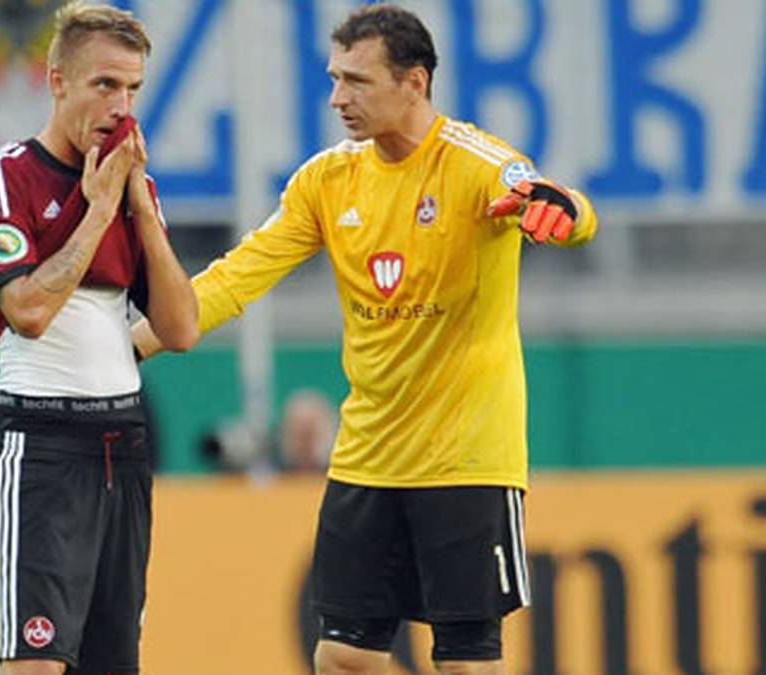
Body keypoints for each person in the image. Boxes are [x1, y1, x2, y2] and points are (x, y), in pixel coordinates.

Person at [132, 5, 598, 674]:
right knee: (345, 655)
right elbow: (237, 277)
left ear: (414, 82)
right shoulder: (327, 181)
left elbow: (557, 201)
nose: (337, 98)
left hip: (465, 459)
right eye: (333, 78)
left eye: (356, 81)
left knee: (467, 661)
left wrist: (564, 209)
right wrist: (128, 346)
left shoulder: (472, 163)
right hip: (366, 458)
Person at [0, 3, 198, 673]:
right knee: (35, 661)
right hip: (44, 444)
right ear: (57, 80)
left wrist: (140, 209)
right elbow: (27, 309)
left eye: (133, 89)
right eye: (104, 85)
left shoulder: (131, 185)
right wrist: (95, 212)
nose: (121, 106)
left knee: (112, 660)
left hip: (123, 443)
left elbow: (180, 328)